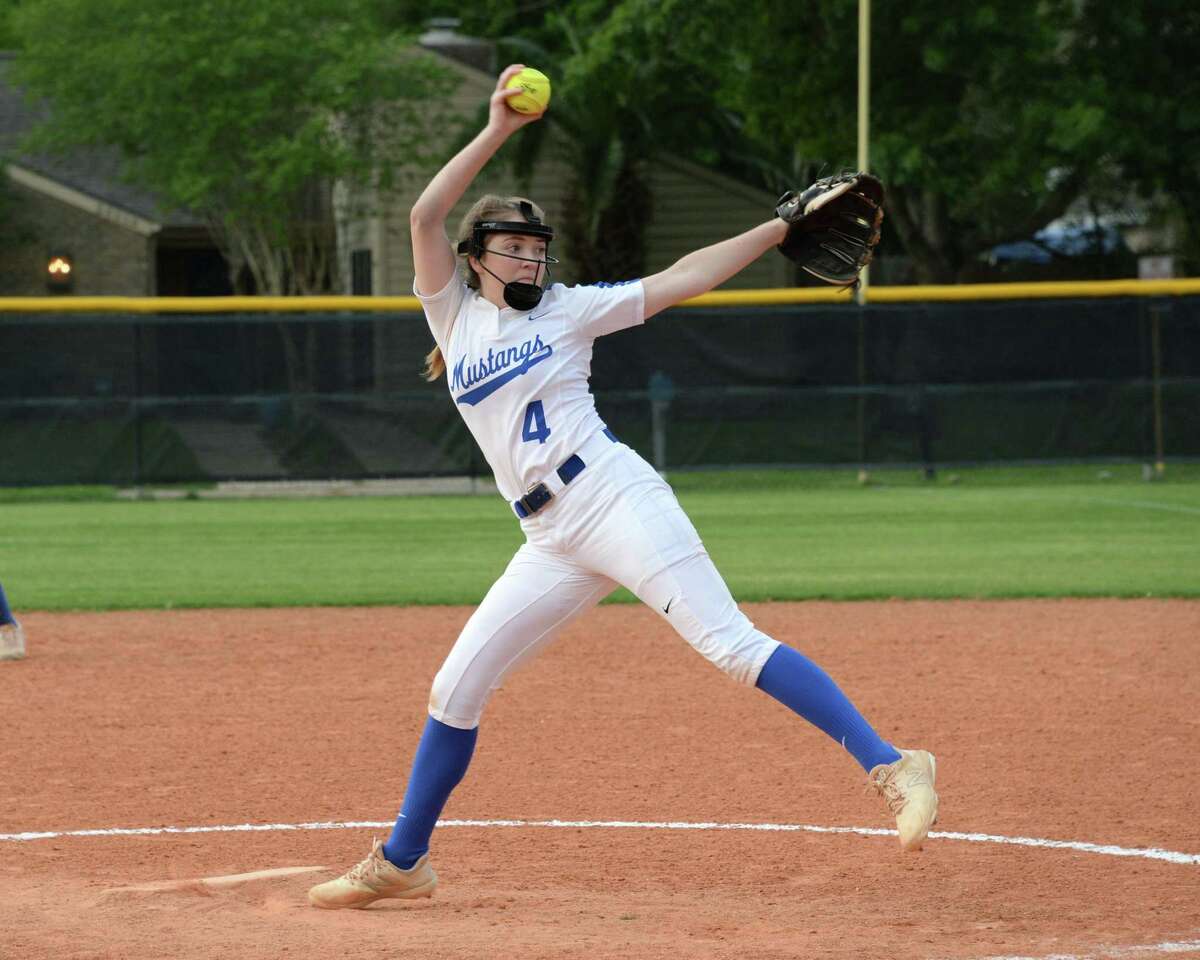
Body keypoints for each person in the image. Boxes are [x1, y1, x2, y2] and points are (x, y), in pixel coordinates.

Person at [308, 64, 938, 910]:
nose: (530, 256)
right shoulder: (453, 316)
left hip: (612, 496)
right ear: (475, 259)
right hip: (547, 539)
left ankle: (892, 764)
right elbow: (423, 214)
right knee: (455, 689)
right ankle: (403, 860)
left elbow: (686, 277)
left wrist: (776, 228)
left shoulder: (569, 309)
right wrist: (498, 127)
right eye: (512, 246)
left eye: (538, 247)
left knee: (730, 645)